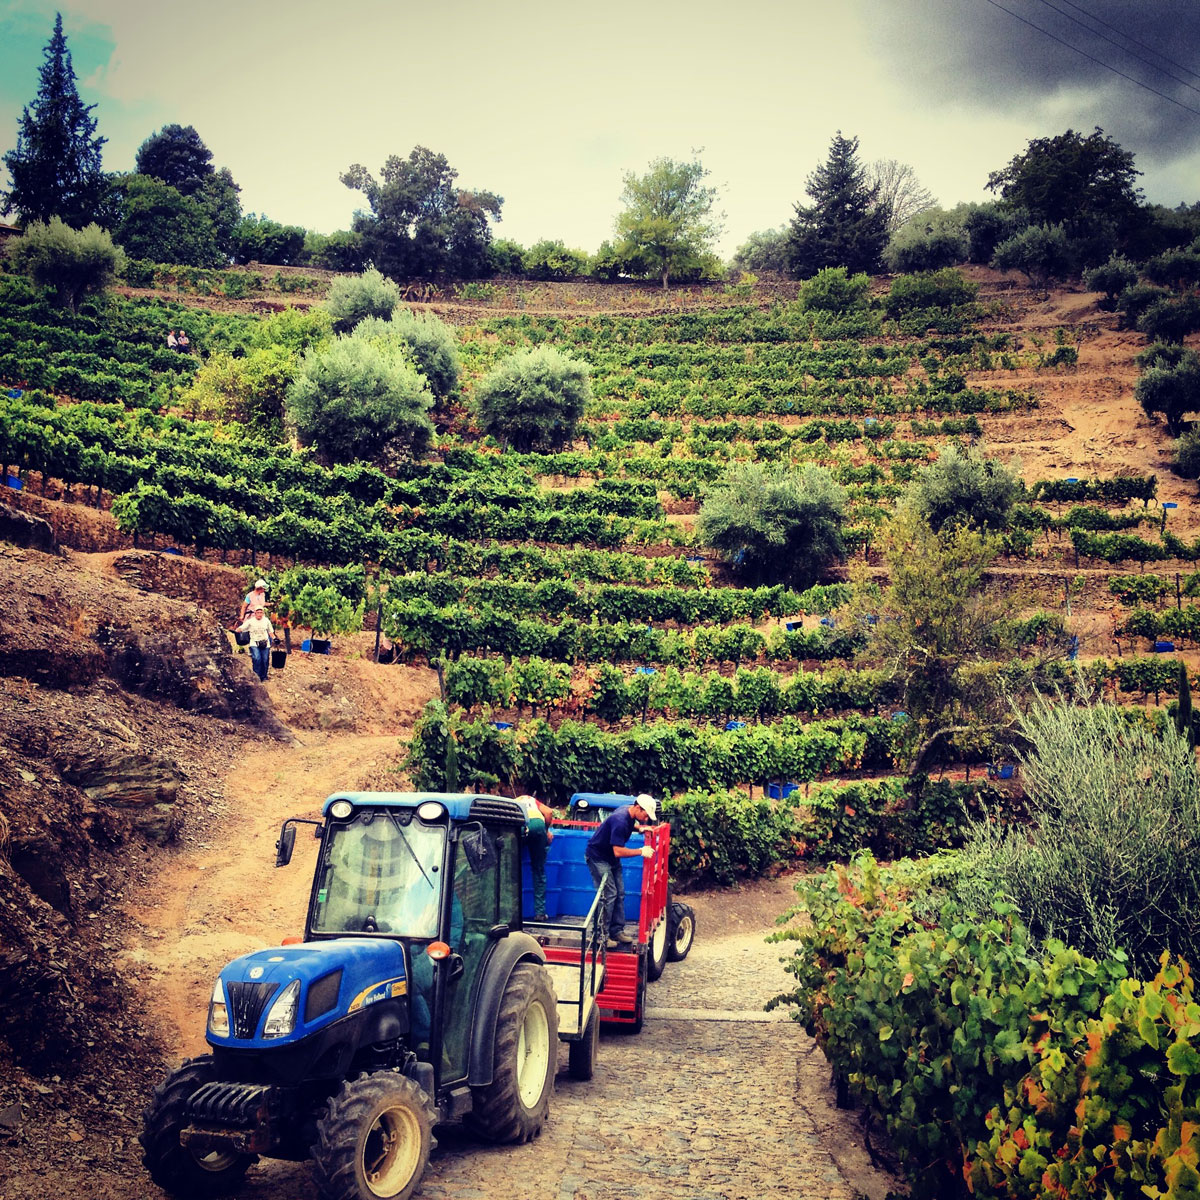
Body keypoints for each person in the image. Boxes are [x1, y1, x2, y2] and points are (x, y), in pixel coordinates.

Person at [584, 794, 656, 948]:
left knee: (620, 892)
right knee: (609, 895)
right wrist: (640, 851)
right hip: (598, 858)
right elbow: (618, 851)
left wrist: (640, 828)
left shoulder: (628, 813)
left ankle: (616, 930)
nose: (646, 818)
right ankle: (599, 936)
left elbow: (628, 826)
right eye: (645, 814)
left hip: (609, 858)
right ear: (638, 807)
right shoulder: (620, 820)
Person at [516, 795, 556, 920]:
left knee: (511, 866)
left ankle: (512, 912)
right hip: (538, 825)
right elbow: (549, 812)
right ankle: (540, 913)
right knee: (538, 870)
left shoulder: (514, 802)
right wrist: (546, 830)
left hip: (521, 826)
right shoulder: (532, 800)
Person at [235, 604, 275, 682]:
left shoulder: (266, 621)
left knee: (265, 660)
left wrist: (274, 638)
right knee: (257, 658)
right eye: (258, 612)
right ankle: (256, 676)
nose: (259, 614)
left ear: (263, 613)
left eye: (261, 612)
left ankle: (264, 676)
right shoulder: (250, 621)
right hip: (254, 642)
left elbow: (270, 631)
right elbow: (242, 628)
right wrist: (236, 630)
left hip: (265, 643)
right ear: (255, 613)